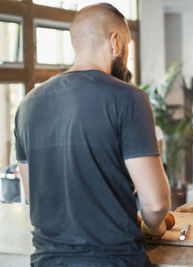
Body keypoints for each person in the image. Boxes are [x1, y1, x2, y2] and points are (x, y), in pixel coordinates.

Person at [14, 3, 170, 266]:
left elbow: (34, 195)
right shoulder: (129, 98)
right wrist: (155, 228)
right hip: (112, 260)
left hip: (47, 260)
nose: (127, 56)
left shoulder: (27, 104)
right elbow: (155, 204)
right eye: (128, 48)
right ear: (115, 43)